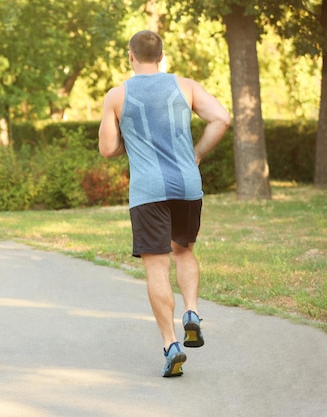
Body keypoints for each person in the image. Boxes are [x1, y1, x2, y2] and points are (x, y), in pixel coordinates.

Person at [98, 30, 230, 377]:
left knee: (157, 268)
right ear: (161, 55)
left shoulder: (117, 95)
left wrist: (132, 136)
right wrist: (197, 154)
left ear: (130, 56)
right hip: (187, 185)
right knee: (184, 251)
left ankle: (171, 345)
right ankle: (191, 312)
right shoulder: (185, 86)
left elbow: (108, 149)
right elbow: (222, 118)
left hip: (148, 191)